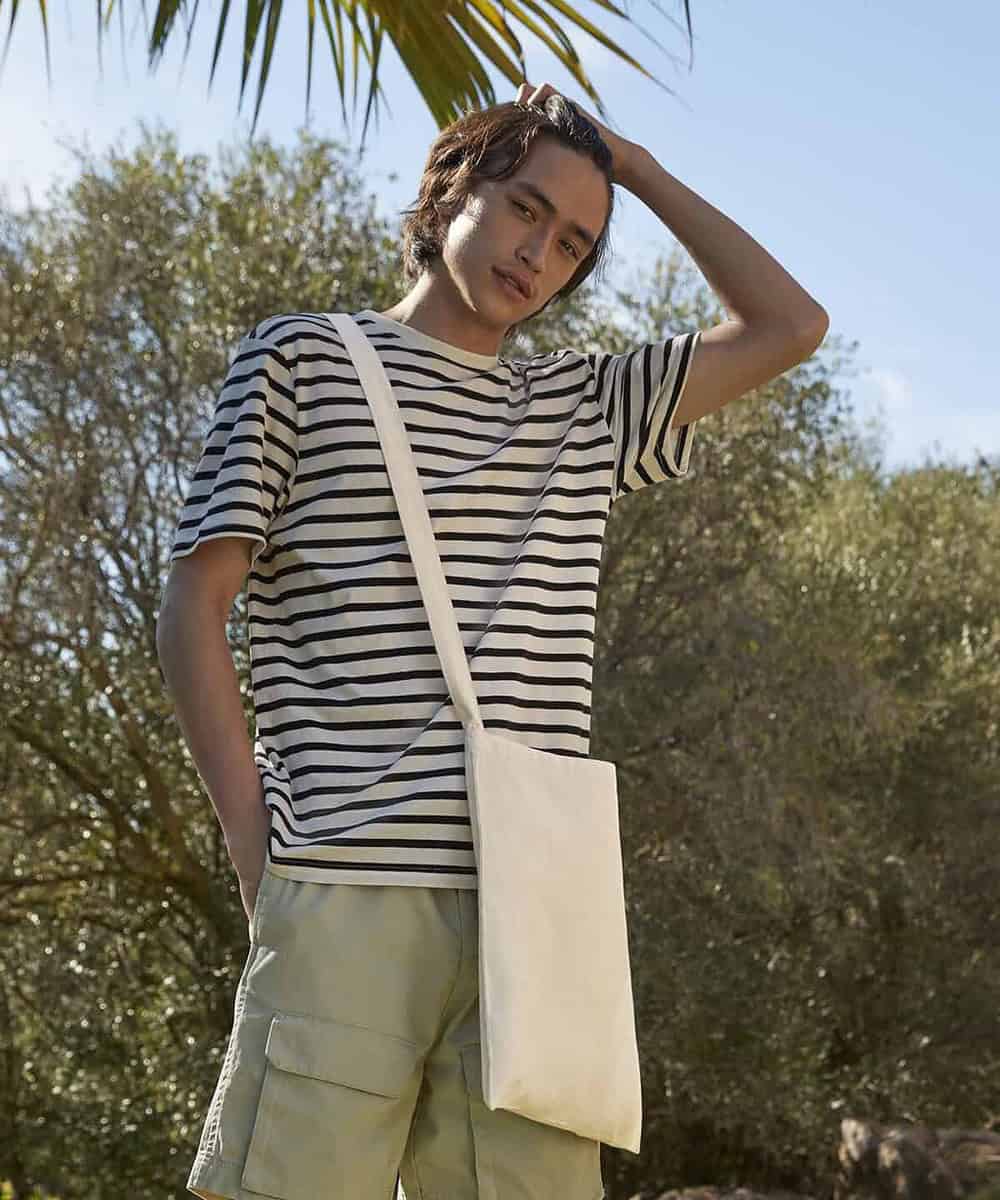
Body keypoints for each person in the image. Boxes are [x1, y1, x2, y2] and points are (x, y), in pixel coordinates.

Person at [156, 80, 828, 1200]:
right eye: (524, 208)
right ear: (451, 187)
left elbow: (789, 326)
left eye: (573, 244)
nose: (539, 253)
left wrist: (640, 171)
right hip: (346, 887)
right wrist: (251, 843)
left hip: (538, 906)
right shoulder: (300, 360)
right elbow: (192, 605)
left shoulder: (582, 408)